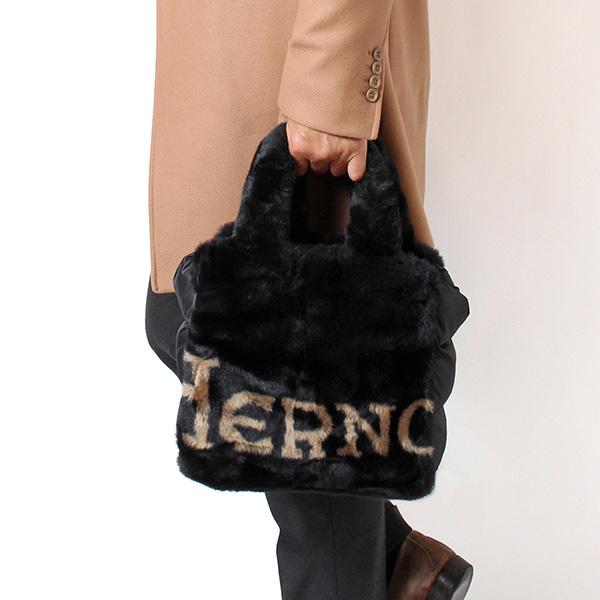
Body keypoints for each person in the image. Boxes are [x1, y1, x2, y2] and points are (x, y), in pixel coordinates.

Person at [144, 1, 473, 598]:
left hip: (291, 61)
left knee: (316, 393)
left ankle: (385, 568)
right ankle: (399, 562)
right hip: (223, 57)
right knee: (178, 318)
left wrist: (330, 81)